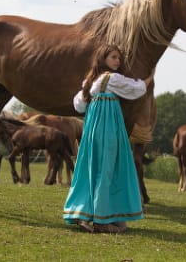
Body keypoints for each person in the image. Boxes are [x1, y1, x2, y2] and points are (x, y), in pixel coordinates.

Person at [63, 44, 155, 233]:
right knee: (107, 168)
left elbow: (78, 105)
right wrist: (148, 79)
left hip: (92, 127)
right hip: (108, 125)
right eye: (113, 57)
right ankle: (102, 221)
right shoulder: (112, 78)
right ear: (103, 59)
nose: (117, 61)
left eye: (118, 58)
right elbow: (135, 89)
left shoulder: (91, 81)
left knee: (91, 167)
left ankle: (88, 213)